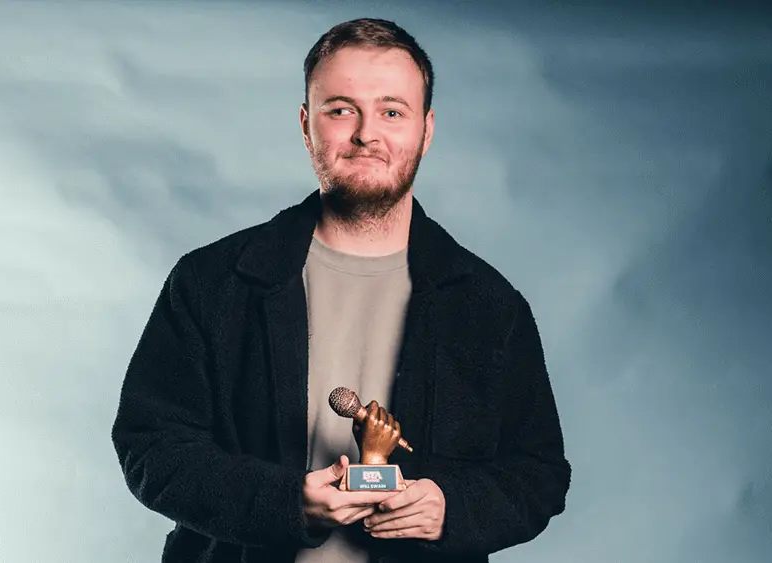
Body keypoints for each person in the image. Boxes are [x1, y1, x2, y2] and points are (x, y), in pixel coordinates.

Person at [111, 17, 571, 563]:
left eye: (392, 112)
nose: (366, 134)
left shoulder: (489, 307)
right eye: (341, 109)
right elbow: (151, 447)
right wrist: (286, 503)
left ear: (426, 131)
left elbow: (539, 473)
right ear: (307, 125)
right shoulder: (211, 282)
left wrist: (452, 507)